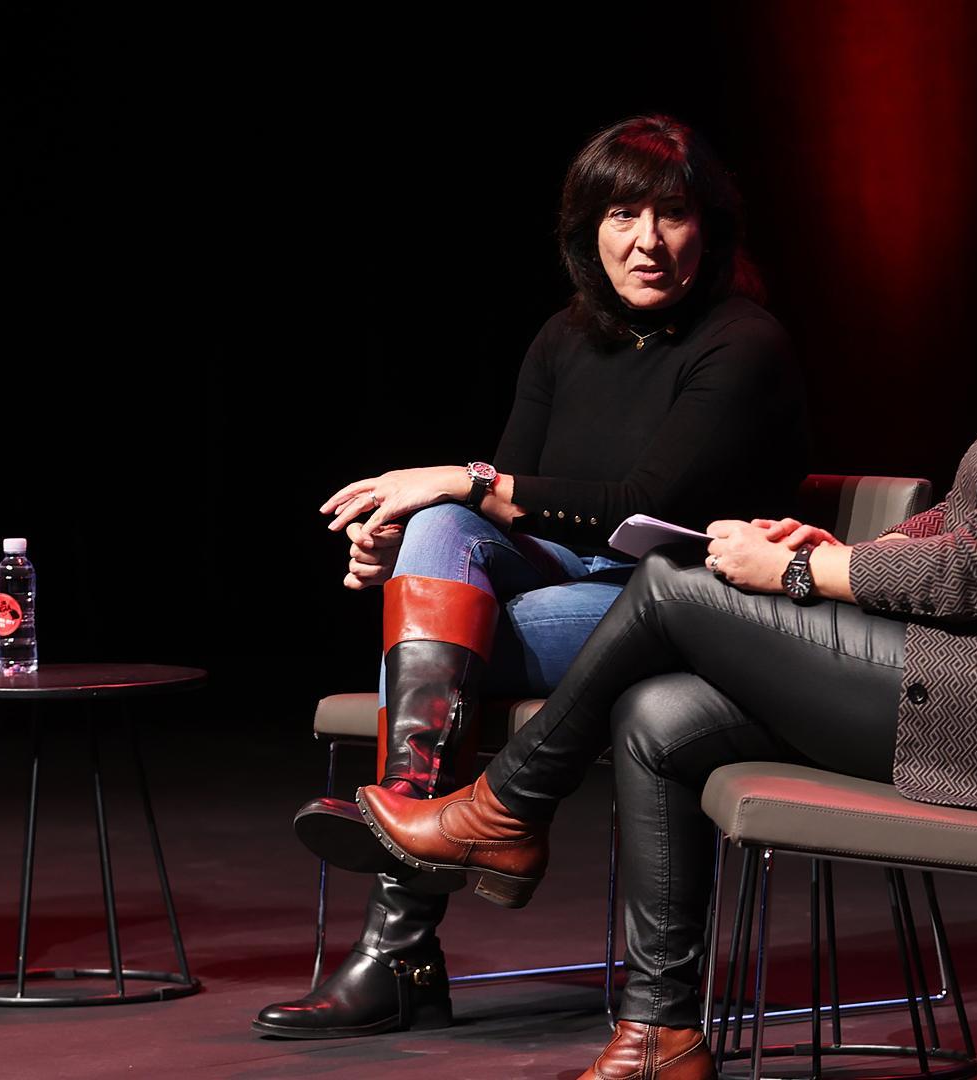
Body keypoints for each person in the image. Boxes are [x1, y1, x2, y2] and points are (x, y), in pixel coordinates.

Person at [354, 123, 977, 1079]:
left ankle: (507, 806)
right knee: (659, 713)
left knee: (671, 585)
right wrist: (845, 548)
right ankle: (661, 1034)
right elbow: (970, 525)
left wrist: (804, 576)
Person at [253, 116, 810, 1040]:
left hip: (675, 610)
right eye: (622, 214)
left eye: (672, 214)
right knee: (437, 527)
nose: (646, 240)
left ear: (707, 227)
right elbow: (500, 512)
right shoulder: (564, 337)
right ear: (586, 228)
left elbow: (637, 502)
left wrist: (467, 486)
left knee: (444, 570)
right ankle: (417, 814)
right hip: (563, 598)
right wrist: (408, 548)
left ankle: (398, 941)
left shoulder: (741, 343)